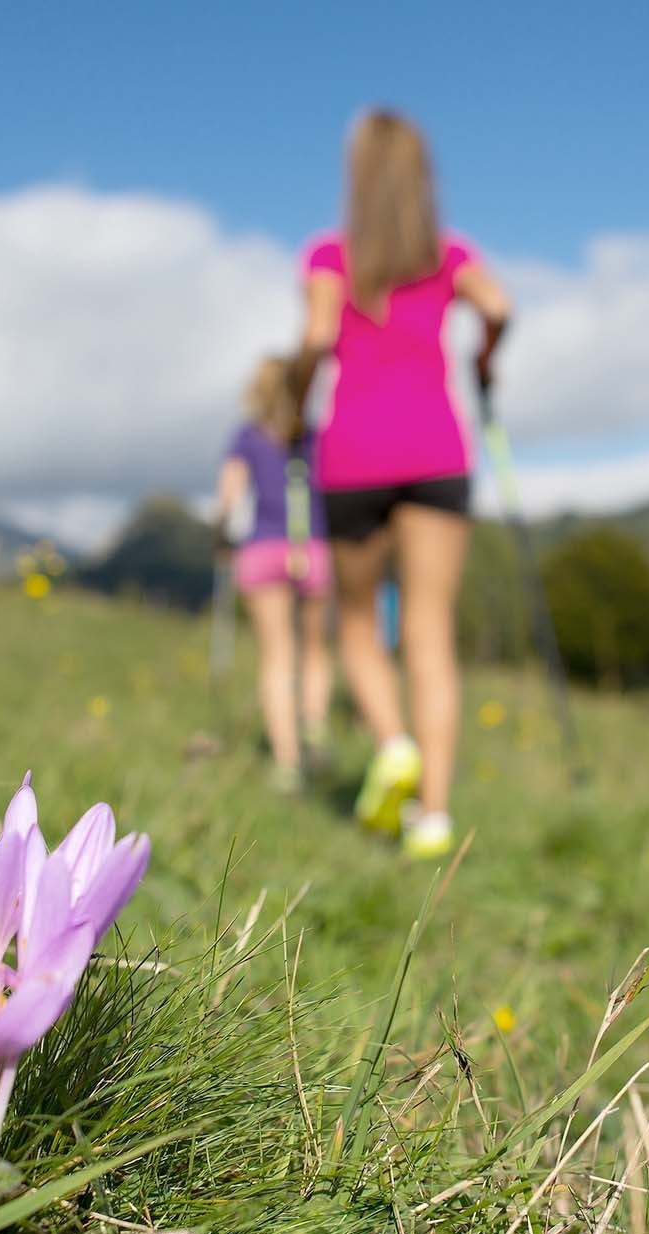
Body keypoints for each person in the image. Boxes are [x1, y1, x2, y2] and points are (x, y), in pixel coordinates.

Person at [292, 109, 511, 858]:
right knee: (430, 633)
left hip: (353, 454)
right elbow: (500, 306)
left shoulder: (329, 256)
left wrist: (292, 399)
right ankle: (434, 816)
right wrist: (486, 358)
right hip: (436, 451)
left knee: (357, 623)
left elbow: (320, 339)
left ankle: (392, 746)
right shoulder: (448, 256)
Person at [213, 355, 333, 794]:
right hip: (313, 547)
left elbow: (228, 496)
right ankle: (315, 724)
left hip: (263, 549)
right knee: (316, 648)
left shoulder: (245, 437)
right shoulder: (313, 437)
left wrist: (222, 530)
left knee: (277, 657)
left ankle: (287, 761)